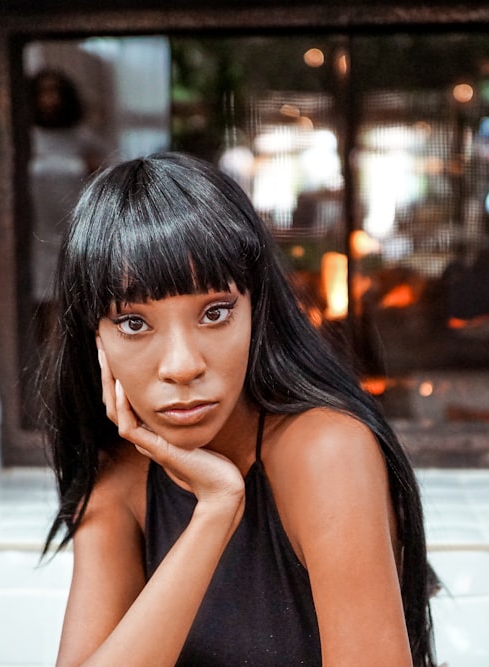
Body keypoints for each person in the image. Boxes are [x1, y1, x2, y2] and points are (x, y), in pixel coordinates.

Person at [39, 152, 437, 667]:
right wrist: (215, 511)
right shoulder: (120, 479)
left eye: (215, 312)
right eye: (134, 323)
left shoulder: (326, 451)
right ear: (95, 338)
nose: (182, 366)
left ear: (256, 312)